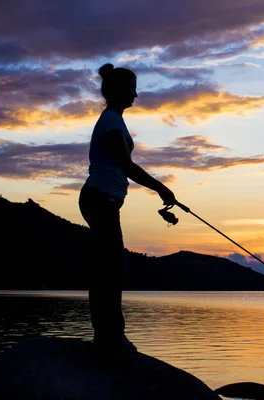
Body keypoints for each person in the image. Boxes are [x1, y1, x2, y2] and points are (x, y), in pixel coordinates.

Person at [79, 63, 176, 353]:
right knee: (110, 268)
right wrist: (160, 187)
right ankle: (110, 337)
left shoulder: (114, 120)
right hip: (100, 198)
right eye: (132, 88)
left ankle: (106, 335)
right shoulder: (110, 121)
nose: (136, 94)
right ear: (120, 91)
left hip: (104, 199)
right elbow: (125, 163)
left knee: (108, 267)